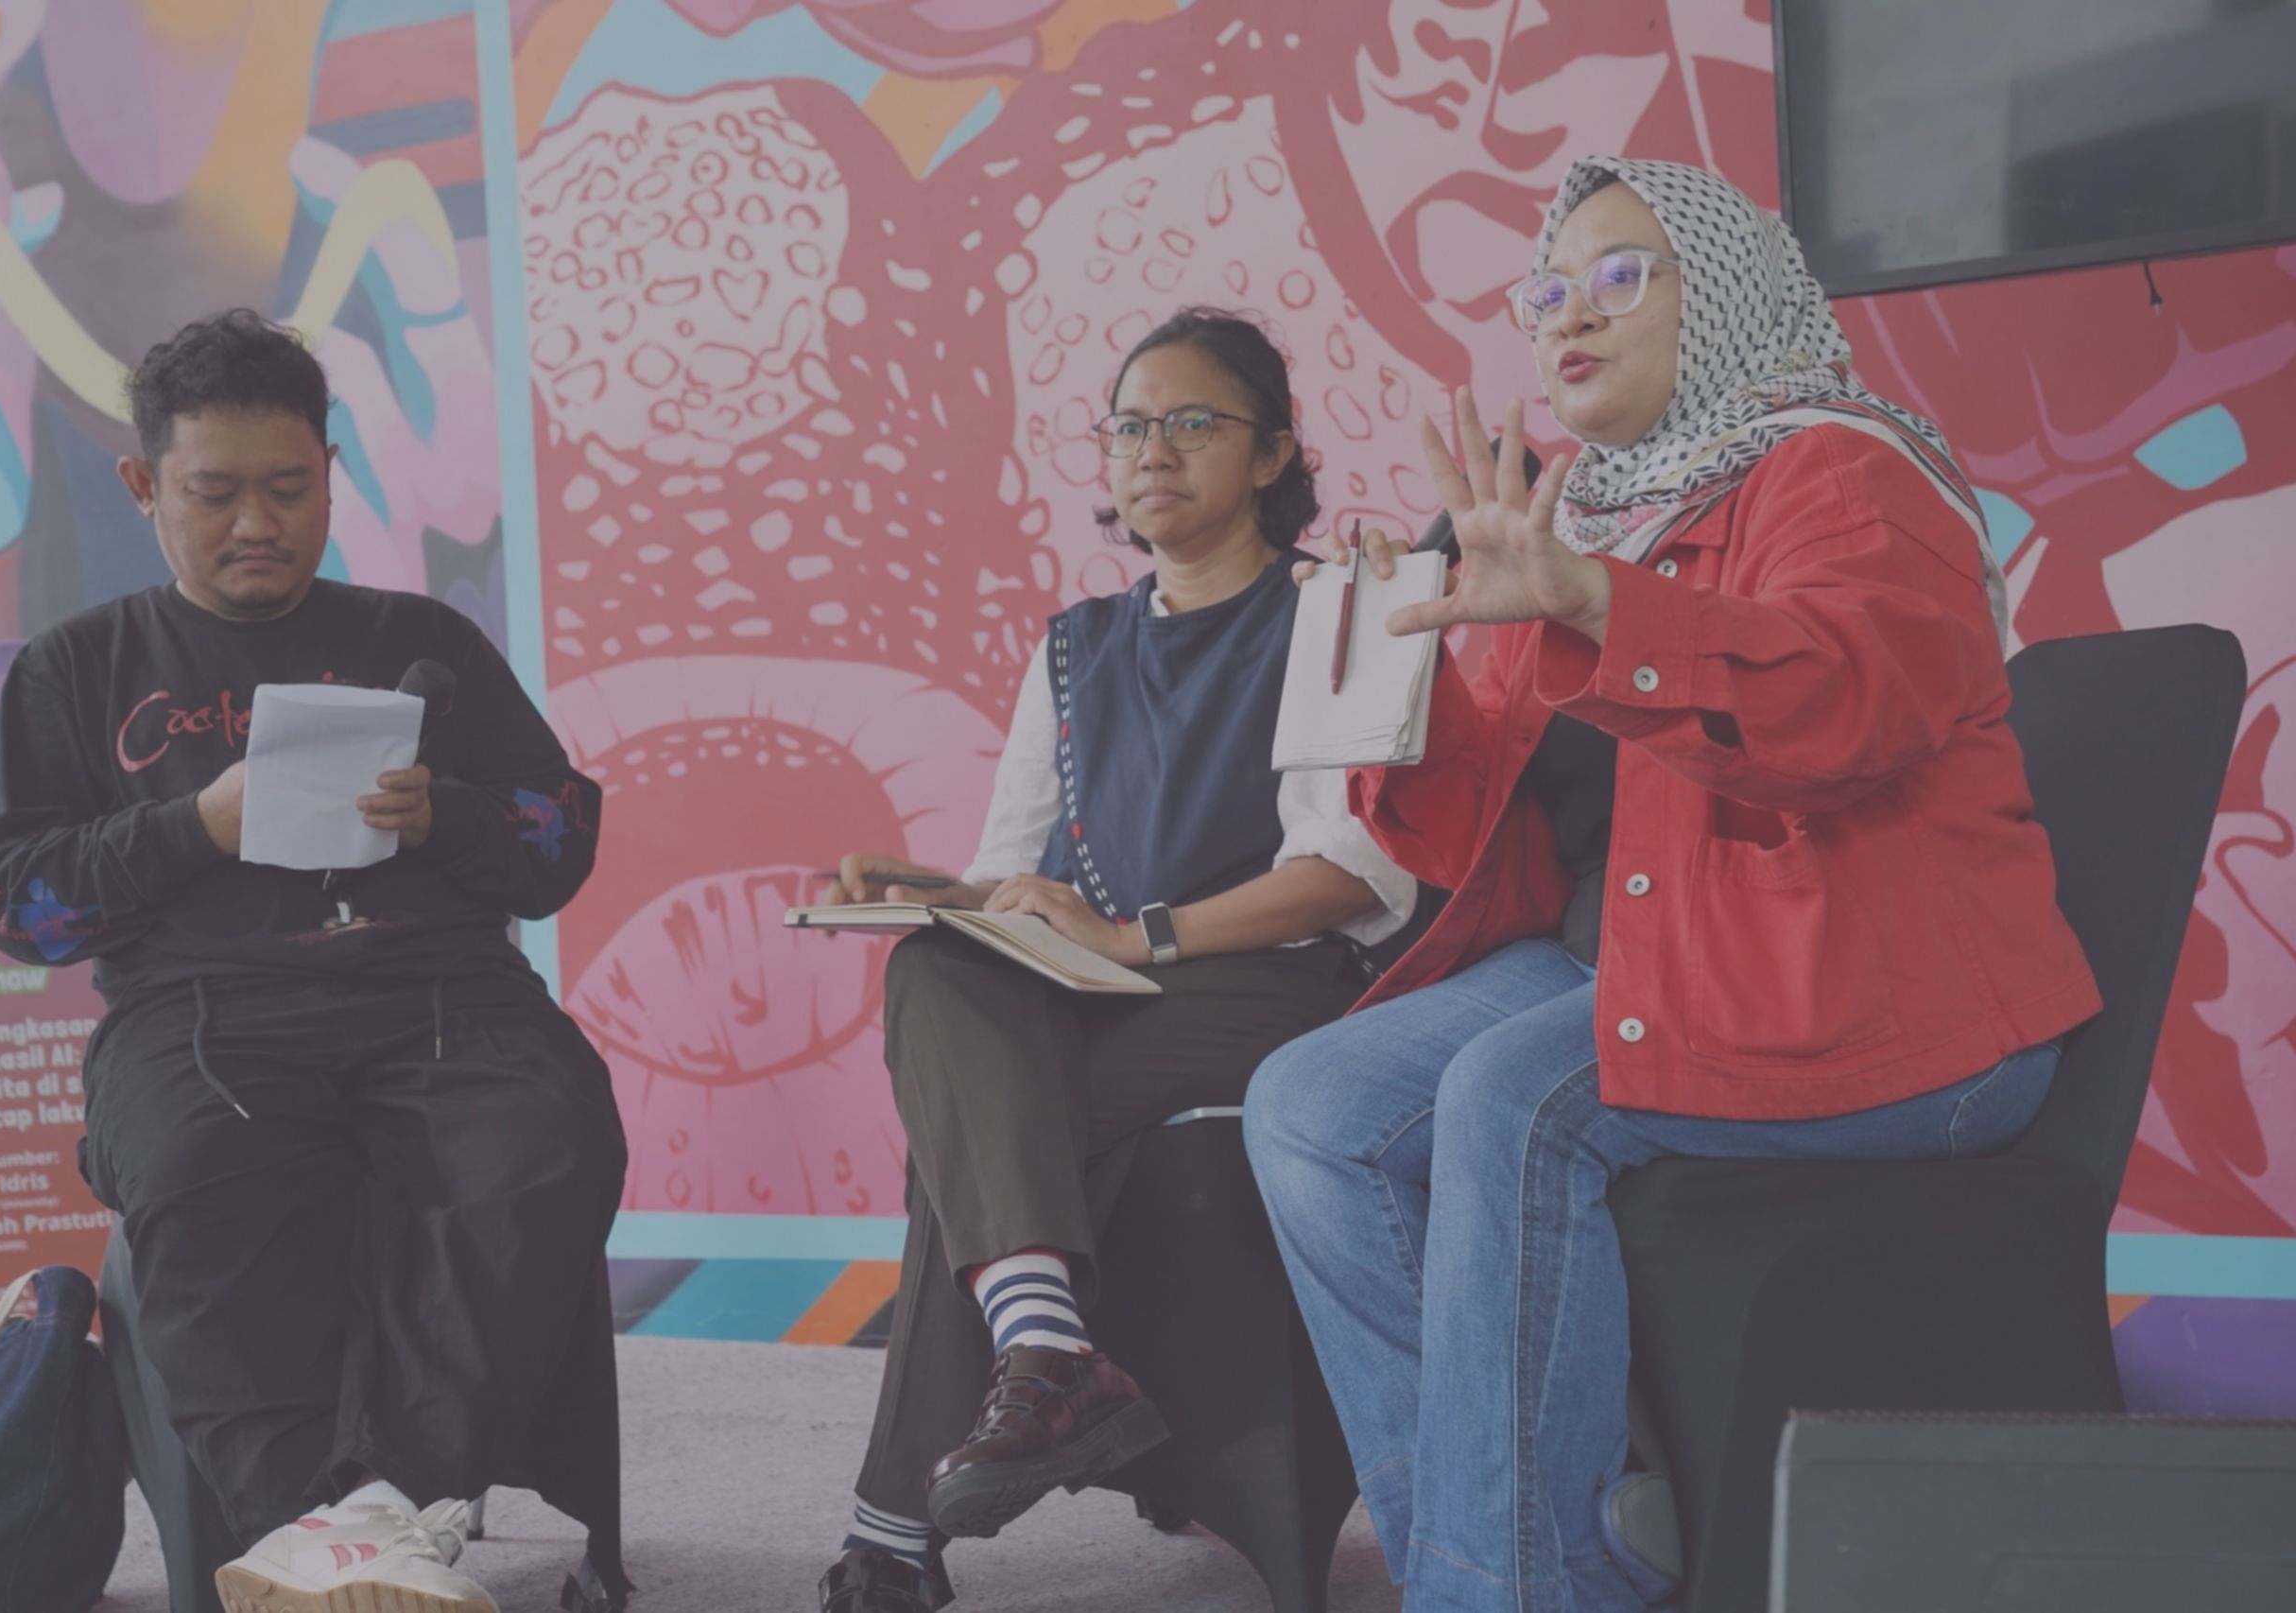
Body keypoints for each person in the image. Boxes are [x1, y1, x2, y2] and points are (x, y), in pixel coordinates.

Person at [1243, 158, 2101, 1613]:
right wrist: (1394, 675)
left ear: (1730, 293)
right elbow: (1482, 833)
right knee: (1310, 1106)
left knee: (1510, 1100)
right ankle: (1536, 1546)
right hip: (1637, 959)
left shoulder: (1847, 468)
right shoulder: (1584, 516)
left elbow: (1845, 705)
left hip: (1898, 1001)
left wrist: (1591, 603)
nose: (1569, 314)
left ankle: (1505, 1584)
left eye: (1621, 276)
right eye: (1549, 290)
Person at [0, 311, 624, 1613]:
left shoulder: (417, 635)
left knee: (547, 1138)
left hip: (442, 994)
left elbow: (556, 847)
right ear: (144, 485)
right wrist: (191, 826)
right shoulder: (78, 667)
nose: (257, 523)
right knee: (197, 1173)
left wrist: (446, 817)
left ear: (330, 471)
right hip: (198, 1013)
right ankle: (331, 1525)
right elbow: (13, 906)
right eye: (215, 493)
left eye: (288, 488)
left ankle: (360, 1520)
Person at [814, 307, 1418, 1613]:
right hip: (1105, 985)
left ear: (1272, 453)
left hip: (1276, 988)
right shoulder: (1074, 645)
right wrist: (929, 892)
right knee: (933, 968)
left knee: (977, 1136)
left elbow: (1359, 872)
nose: (1154, 450)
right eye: (1131, 426)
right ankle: (1047, 1349)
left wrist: (1137, 935)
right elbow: (1013, 873)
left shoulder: (1336, 611)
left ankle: (901, 1526)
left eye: (1193, 421)